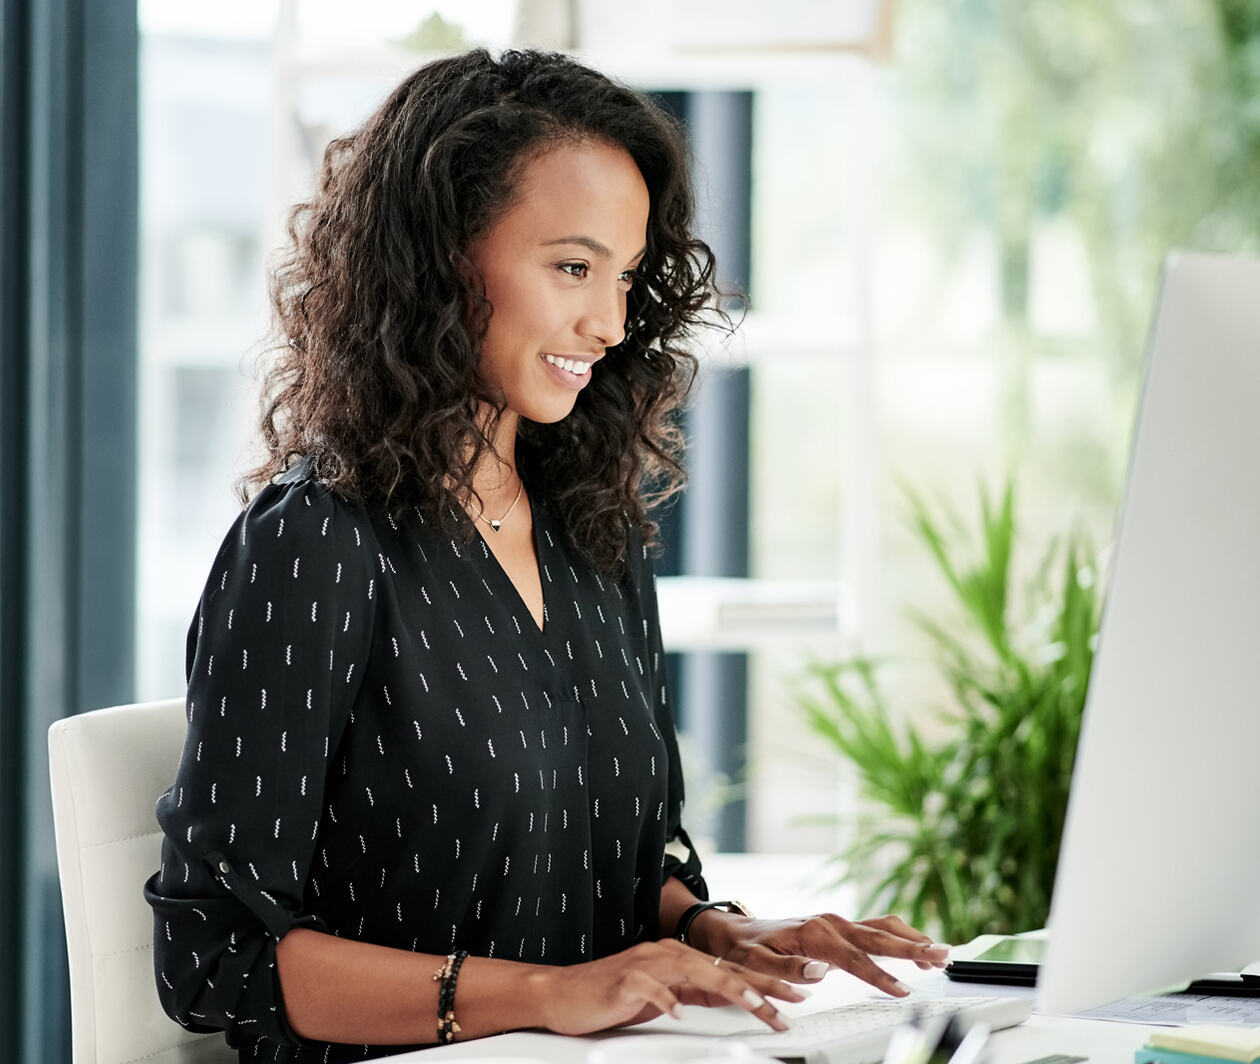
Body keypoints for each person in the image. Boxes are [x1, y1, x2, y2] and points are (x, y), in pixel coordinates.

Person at [144, 47, 949, 1063]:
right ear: (443, 255)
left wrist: (718, 927)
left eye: (623, 276)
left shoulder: (589, 529)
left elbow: (607, 852)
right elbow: (212, 956)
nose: (608, 322)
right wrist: (548, 993)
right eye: (572, 266)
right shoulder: (316, 544)